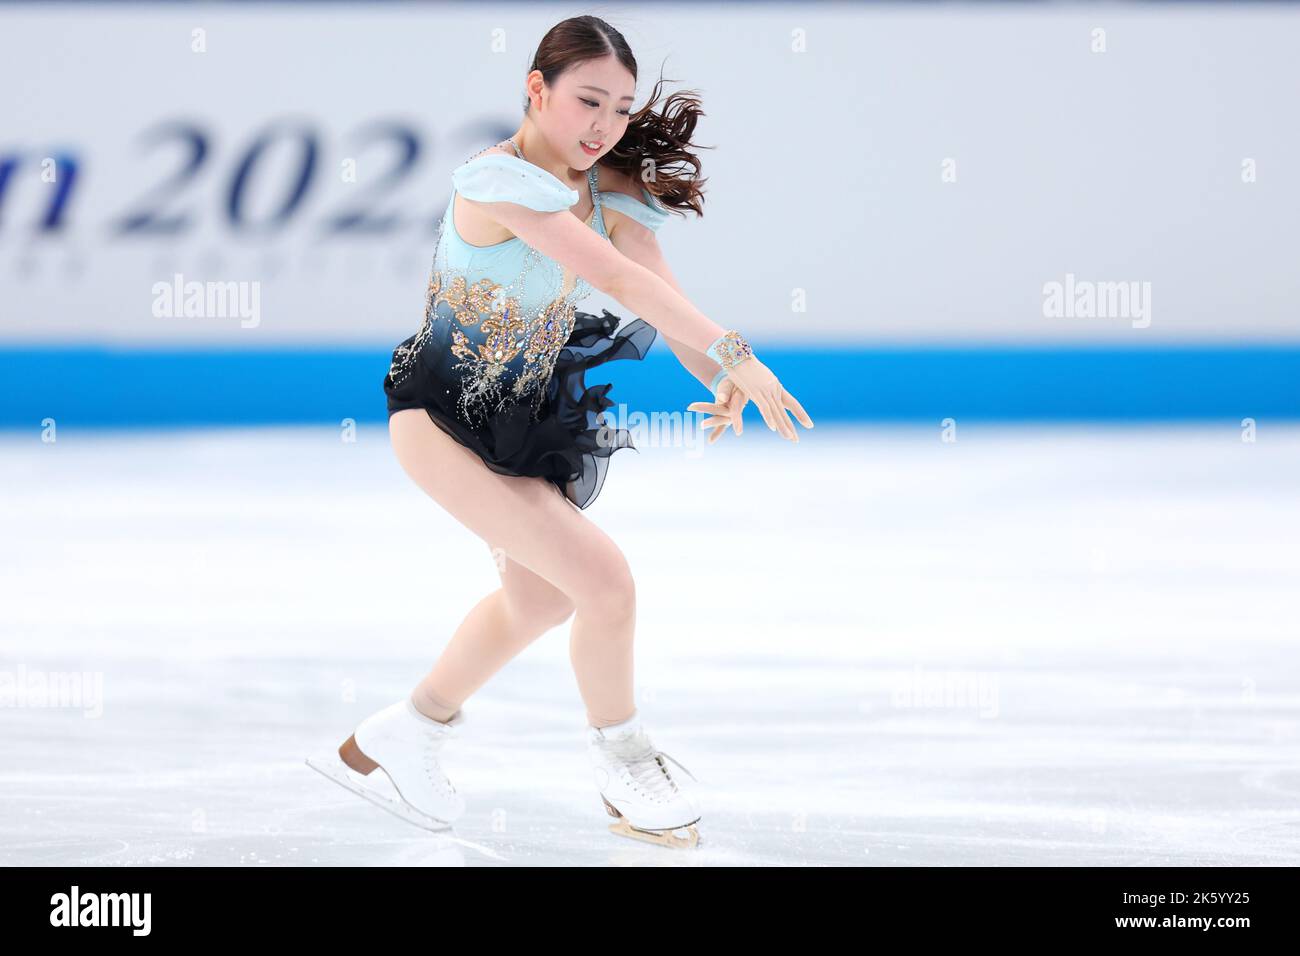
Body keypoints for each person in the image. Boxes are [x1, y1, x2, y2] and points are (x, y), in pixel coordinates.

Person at [321, 15, 812, 849]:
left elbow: (656, 282)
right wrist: (743, 353)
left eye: (621, 109)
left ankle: (404, 733)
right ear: (535, 88)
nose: (604, 126)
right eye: (588, 101)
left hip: (525, 420)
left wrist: (719, 374)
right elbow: (611, 275)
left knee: (542, 597)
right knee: (606, 585)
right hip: (441, 420)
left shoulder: (606, 184)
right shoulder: (493, 181)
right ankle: (624, 759)